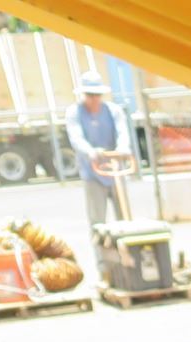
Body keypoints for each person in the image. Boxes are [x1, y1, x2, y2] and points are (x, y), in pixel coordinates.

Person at [64, 70, 134, 227]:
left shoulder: (113, 110)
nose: (94, 99)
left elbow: (122, 132)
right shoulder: (74, 112)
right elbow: (76, 137)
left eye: (97, 95)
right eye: (90, 95)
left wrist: (123, 148)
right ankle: (101, 242)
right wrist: (91, 152)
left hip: (115, 169)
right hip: (92, 172)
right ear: (84, 95)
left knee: (125, 216)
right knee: (97, 221)